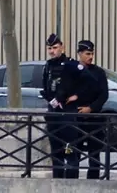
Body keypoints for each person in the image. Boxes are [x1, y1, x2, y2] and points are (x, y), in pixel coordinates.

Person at [40, 33, 81, 179]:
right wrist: (51, 99)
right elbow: (45, 87)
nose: (52, 51)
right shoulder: (48, 66)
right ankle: (57, 181)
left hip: (68, 114)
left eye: (55, 48)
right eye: (50, 48)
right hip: (54, 113)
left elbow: (85, 85)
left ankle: (71, 184)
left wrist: (77, 96)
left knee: (70, 150)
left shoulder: (72, 64)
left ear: (62, 47)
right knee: (56, 152)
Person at [73, 39, 110, 181]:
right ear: (80, 54)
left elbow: (104, 94)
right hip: (76, 117)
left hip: (94, 117)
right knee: (74, 152)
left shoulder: (98, 72)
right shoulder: (73, 70)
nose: (90, 57)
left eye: (92, 54)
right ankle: (72, 181)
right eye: (87, 53)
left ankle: (93, 182)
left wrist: (91, 108)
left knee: (95, 154)